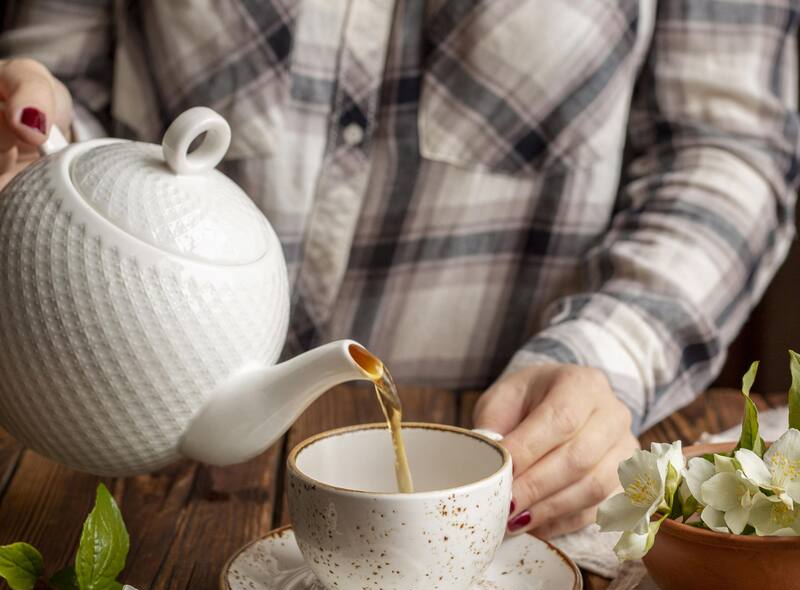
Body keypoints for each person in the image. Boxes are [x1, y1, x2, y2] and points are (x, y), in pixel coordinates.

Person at [0, 1, 797, 540]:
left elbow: (724, 150)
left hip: (489, 440)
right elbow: (61, 85)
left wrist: (609, 355)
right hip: (106, 459)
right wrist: (33, 148)